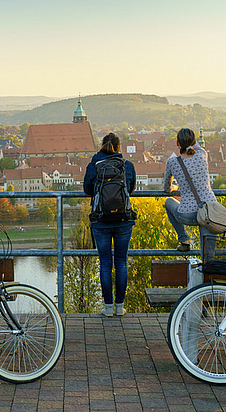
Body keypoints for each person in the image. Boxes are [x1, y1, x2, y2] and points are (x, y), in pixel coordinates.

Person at [84, 133, 136, 317]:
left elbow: (87, 190)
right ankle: (120, 307)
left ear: (102, 145)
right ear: (119, 147)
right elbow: (130, 188)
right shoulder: (127, 165)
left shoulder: (94, 165)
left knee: (105, 264)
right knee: (121, 263)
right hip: (123, 219)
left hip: (101, 221)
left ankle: (107, 308)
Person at [163, 128, 217, 255]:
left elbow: (166, 188)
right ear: (194, 142)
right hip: (209, 211)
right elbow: (196, 147)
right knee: (208, 256)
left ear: (177, 143)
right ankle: (208, 271)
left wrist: (176, 187)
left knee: (168, 202)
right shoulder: (202, 154)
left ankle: (184, 240)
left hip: (188, 214)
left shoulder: (172, 162)